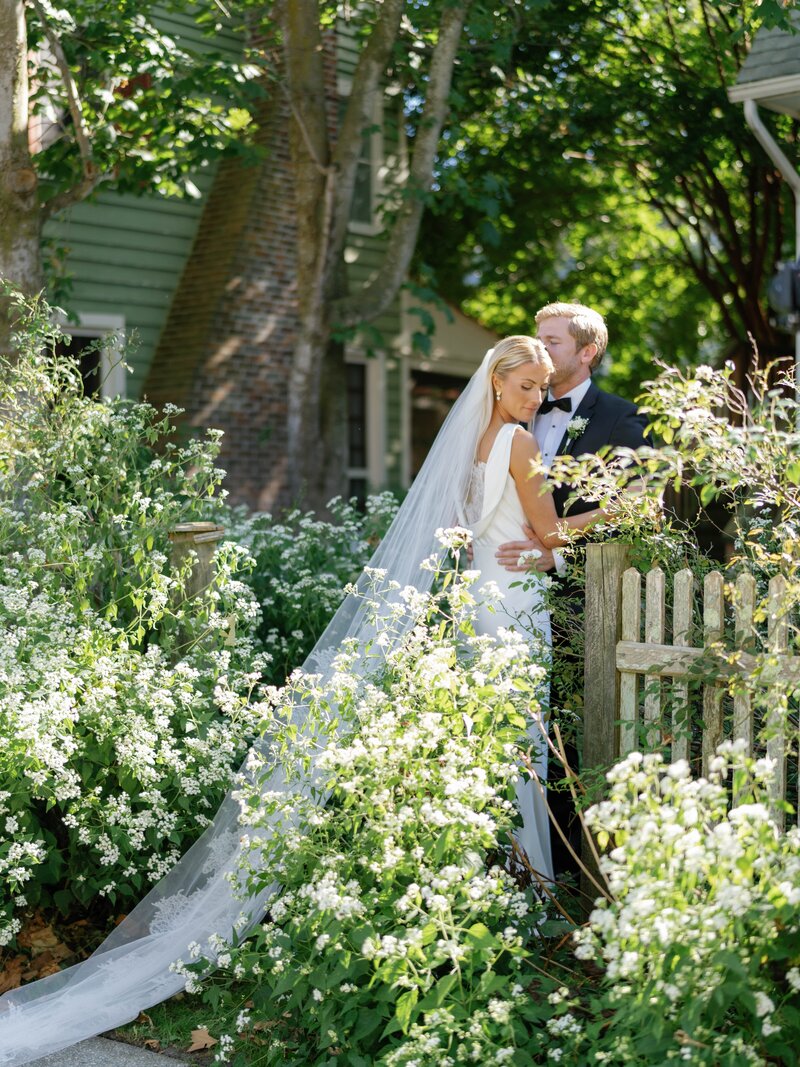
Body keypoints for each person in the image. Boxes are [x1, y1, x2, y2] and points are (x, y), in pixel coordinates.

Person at [0, 336, 599, 1065]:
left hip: (482, 604)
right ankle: (528, 903)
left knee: (496, 749)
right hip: (512, 610)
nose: (538, 399)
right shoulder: (518, 444)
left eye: (543, 388)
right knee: (516, 753)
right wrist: (612, 513)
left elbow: (484, 533)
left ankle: (508, 892)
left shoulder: (475, 439)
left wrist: (539, 547)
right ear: (500, 384)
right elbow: (550, 530)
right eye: (529, 386)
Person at [494, 303, 651, 876]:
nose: (541, 349)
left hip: (585, 595)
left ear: (587, 352)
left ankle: (566, 866)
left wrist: (554, 551)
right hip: (506, 593)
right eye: (537, 339)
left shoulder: (621, 418)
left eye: (553, 342)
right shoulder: (511, 408)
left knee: (571, 734)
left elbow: (635, 510)